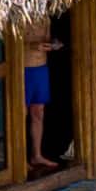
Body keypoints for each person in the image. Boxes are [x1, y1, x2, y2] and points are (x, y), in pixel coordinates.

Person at [22, 24, 61, 175]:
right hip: (24, 67)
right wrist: (32, 45)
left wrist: (53, 44)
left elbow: (47, 38)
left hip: (41, 67)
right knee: (21, 113)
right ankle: (20, 159)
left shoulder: (44, 17)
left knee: (38, 112)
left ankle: (36, 155)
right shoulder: (19, 14)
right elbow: (10, 43)